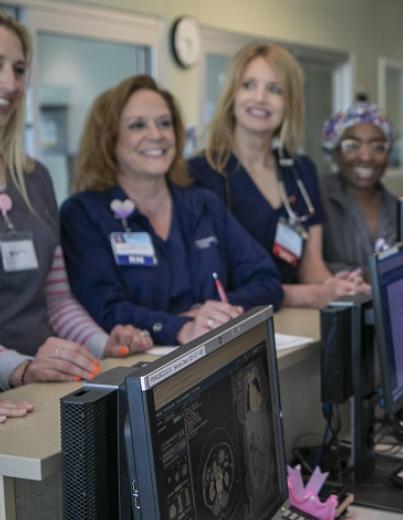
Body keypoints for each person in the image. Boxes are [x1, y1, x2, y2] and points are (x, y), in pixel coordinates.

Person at [61, 75, 283, 346]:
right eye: (137, 125)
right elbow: (106, 308)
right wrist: (179, 327)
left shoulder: (203, 204)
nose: (156, 135)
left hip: (216, 351)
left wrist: (211, 314)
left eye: (165, 123)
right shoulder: (83, 214)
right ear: (109, 138)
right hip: (140, 366)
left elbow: (267, 281)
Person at [0, 16, 151, 405]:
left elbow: (57, 301)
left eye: (18, 69)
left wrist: (103, 344)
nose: (10, 84)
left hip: (43, 385)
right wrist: (15, 367)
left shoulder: (34, 178)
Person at [190, 43, 367, 308]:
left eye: (274, 89)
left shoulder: (300, 171)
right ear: (231, 95)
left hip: (295, 319)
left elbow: (311, 267)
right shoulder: (201, 174)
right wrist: (310, 295)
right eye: (248, 85)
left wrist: (334, 285)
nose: (260, 98)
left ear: (289, 102)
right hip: (236, 322)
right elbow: (216, 283)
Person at [319, 100, 403, 273]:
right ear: (334, 152)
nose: (366, 157)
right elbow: (305, 267)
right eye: (353, 146)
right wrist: (368, 277)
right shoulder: (316, 198)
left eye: (378, 147)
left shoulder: (398, 209)